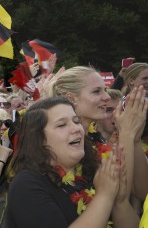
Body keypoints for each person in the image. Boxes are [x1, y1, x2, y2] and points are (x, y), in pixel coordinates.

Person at [8, 97, 139, 228]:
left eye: (76, 121)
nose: (76, 129)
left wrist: (119, 200)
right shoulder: (26, 185)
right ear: (39, 139)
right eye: (62, 125)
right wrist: (104, 196)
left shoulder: (93, 171)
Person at [50, 66, 148, 201]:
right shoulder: (61, 145)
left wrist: (135, 139)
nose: (107, 97)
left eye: (105, 90)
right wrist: (127, 132)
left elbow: (141, 192)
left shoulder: (95, 141)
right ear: (71, 98)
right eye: (97, 91)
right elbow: (120, 194)